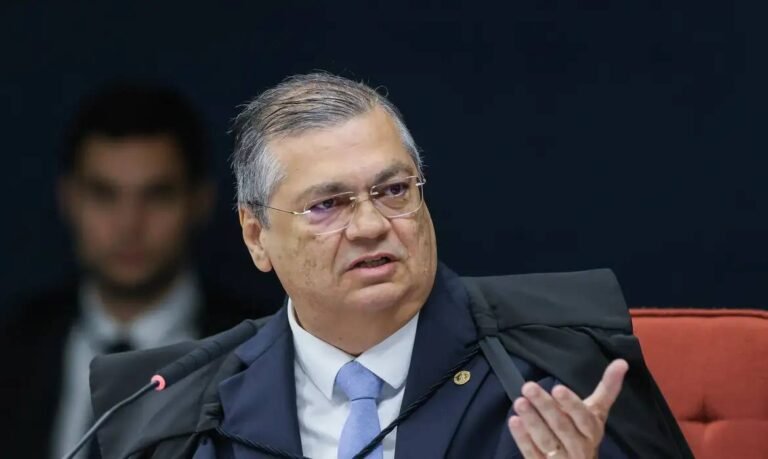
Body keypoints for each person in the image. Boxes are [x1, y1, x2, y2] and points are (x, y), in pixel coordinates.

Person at [89, 74, 693, 458]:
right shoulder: (172, 413)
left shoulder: (558, 361)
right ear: (257, 236)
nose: (371, 225)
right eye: (328, 204)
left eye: (394, 190)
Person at [0, 84, 279, 459]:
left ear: (200, 202)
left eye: (157, 195)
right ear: (68, 199)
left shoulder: (263, 357)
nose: (129, 224)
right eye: (104, 194)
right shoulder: (14, 348)